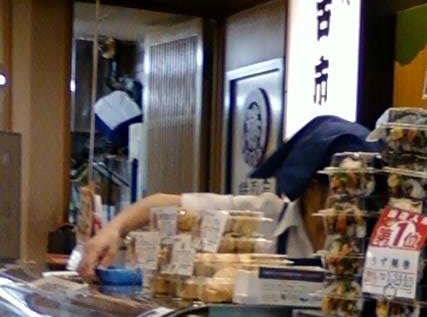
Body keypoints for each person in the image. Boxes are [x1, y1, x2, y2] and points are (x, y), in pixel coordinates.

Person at [79, 114, 370, 281]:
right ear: (312, 188)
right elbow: (164, 204)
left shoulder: (364, 240)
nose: (353, 205)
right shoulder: (262, 217)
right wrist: (114, 229)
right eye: (342, 191)